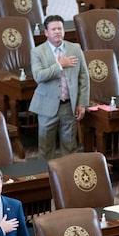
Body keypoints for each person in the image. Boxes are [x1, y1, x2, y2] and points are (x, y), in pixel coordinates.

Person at [29, 14, 90, 160]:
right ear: (46, 33)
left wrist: (82, 104)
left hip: (69, 106)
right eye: (53, 29)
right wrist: (59, 66)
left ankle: (67, 180)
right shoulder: (37, 52)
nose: (57, 32)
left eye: (60, 28)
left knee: (70, 148)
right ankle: (45, 178)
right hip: (46, 107)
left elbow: (84, 77)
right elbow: (39, 76)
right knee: (45, 149)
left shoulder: (75, 48)